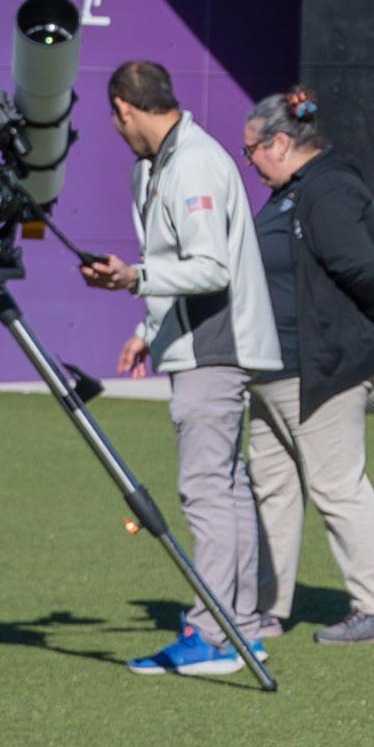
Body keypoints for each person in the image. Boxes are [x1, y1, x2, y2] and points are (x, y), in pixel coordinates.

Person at [79, 57, 276, 681]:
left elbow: (210, 268)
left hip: (215, 349)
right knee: (226, 489)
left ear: (123, 109)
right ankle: (240, 629)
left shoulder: (191, 161)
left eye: (115, 120)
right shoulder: (162, 163)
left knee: (206, 491)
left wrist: (134, 278)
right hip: (208, 345)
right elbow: (183, 267)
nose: (117, 130)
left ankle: (213, 635)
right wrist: (147, 329)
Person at [236, 89, 374, 643]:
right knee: (273, 489)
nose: (249, 162)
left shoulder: (329, 186)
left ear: (280, 143)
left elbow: (358, 268)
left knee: (336, 487)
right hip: (274, 370)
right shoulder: (290, 192)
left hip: (319, 369)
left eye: (251, 151)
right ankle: (265, 609)